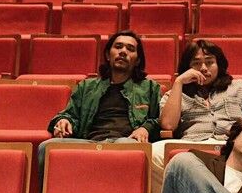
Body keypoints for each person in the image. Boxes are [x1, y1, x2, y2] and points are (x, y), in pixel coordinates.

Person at [152, 39, 242, 193]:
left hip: (229, 144)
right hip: (192, 144)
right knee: (154, 151)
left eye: (209, 62)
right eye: (196, 64)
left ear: (219, 64)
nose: (203, 68)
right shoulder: (176, 92)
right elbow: (168, 124)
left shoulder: (239, 87)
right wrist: (179, 82)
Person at [38, 30, 161, 175]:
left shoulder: (150, 88)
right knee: (46, 147)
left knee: (128, 146)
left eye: (130, 49)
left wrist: (145, 128)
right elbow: (69, 114)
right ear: (108, 55)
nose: (123, 51)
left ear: (138, 60)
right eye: (118, 46)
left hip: (125, 141)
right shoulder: (86, 87)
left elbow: (160, 120)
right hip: (89, 142)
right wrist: (64, 120)